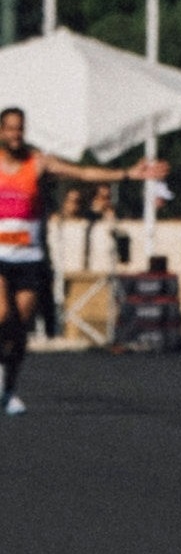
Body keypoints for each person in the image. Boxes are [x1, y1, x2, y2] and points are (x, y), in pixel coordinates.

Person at [0, 106, 162, 415]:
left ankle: (8, 389)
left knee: (19, 329)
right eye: (9, 128)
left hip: (29, 258)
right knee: (2, 314)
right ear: (0, 132)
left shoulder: (37, 164)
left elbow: (83, 173)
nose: (15, 134)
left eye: (19, 128)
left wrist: (127, 174)